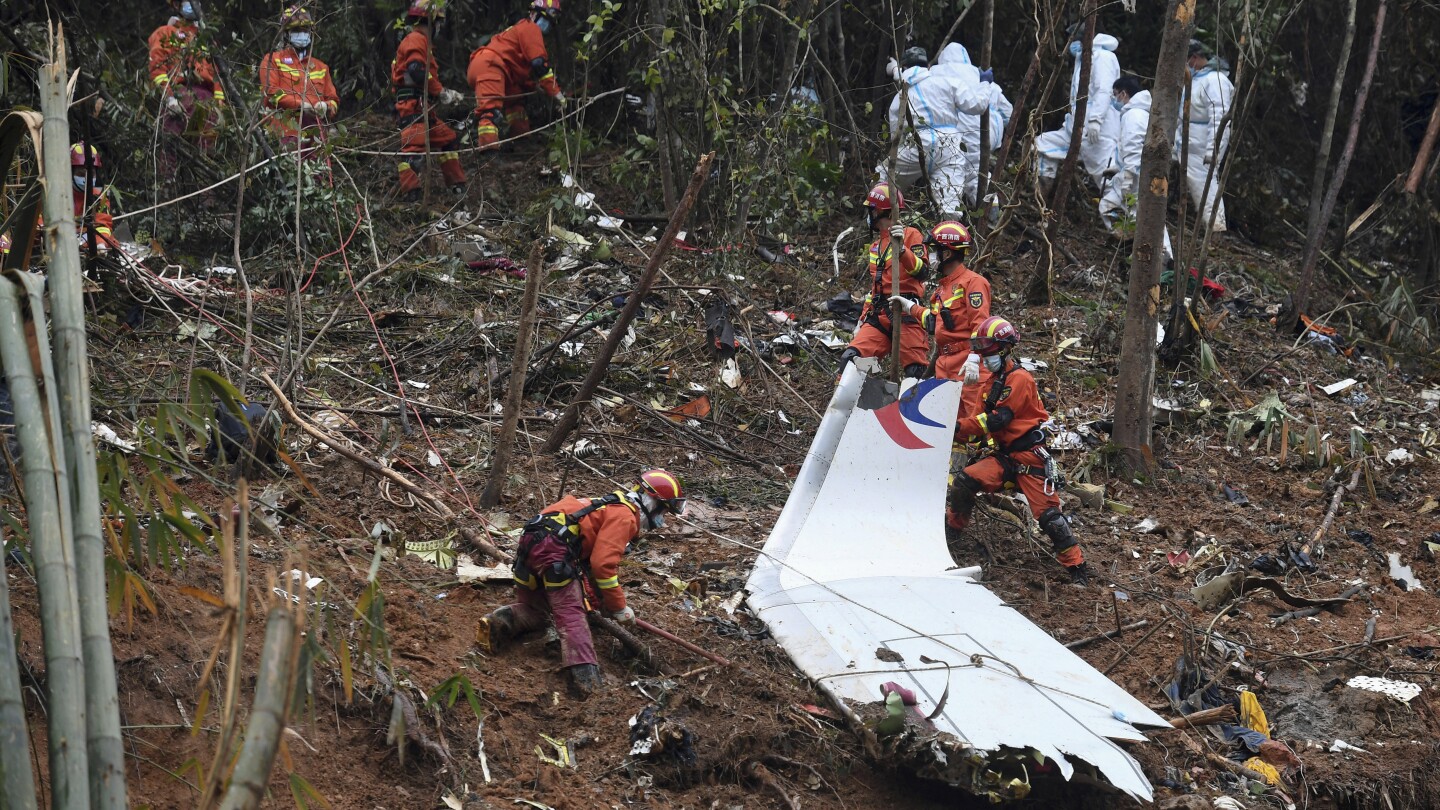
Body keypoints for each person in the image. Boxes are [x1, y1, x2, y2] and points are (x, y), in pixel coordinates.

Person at [476, 470, 687, 695]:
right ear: (651, 501)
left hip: (531, 544)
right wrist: (619, 607)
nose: (662, 518)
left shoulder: (607, 504)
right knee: (571, 615)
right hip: (554, 551)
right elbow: (603, 565)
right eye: (663, 510)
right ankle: (587, 684)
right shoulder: (625, 516)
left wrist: (601, 602)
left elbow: (588, 564)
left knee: (538, 610)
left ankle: (500, 621)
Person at [947, 316, 1090, 586]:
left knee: (1051, 519)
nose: (985, 359)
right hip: (1003, 457)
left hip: (1029, 457)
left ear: (1004, 350)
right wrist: (965, 435)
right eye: (983, 354)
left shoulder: (1021, 379)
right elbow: (979, 423)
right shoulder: (987, 385)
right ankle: (952, 533)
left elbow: (998, 420)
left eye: (989, 354)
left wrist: (954, 428)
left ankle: (1077, 568)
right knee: (964, 482)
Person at [875, 46, 991, 221]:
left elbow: (895, 134)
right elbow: (978, 105)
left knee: (884, 179)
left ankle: (876, 224)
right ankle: (948, 243)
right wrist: (985, 83)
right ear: (928, 66)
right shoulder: (947, 83)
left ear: (905, 67)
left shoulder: (900, 96)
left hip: (915, 144)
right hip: (949, 146)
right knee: (949, 205)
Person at [887, 220, 989, 416]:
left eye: (934, 250)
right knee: (948, 424)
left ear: (947, 253)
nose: (930, 256)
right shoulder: (941, 290)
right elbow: (933, 322)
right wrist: (910, 307)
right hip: (945, 363)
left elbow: (980, 323)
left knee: (973, 420)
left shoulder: (973, 283)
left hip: (967, 362)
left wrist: (975, 358)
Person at [837, 183, 930, 379]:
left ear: (879, 210)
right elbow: (875, 289)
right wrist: (861, 321)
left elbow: (922, 273)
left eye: (870, 210)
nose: (868, 215)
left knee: (916, 373)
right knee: (851, 359)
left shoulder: (912, 235)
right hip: (879, 315)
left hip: (907, 313)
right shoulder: (875, 247)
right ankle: (853, 408)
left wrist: (903, 250)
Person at [391, 0, 467, 197]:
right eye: (439, 23)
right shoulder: (416, 39)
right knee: (413, 150)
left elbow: (424, 76)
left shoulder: (421, 42)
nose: (440, 27)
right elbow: (417, 71)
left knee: (448, 140)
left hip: (424, 109)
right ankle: (411, 195)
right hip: (412, 107)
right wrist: (441, 92)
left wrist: (444, 92)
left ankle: (456, 185)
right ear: (432, 21)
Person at [467, 0, 566, 149]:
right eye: (546, 20)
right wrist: (557, 94)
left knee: (516, 102)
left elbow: (521, 73)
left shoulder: (521, 30)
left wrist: (535, 87)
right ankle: (489, 155)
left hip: (497, 70)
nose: (547, 25)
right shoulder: (530, 28)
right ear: (534, 15)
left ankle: (521, 140)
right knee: (490, 112)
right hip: (491, 66)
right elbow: (539, 65)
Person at [1098, 76, 1173, 261]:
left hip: (1137, 179)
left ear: (1124, 94)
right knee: (1108, 206)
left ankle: (1162, 262)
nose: (1115, 99)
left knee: (1147, 219)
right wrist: (1117, 169)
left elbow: (1133, 148)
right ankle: (1131, 244)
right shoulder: (1139, 114)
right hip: (1135, 174)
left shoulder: (1133, 115)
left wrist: (1128, 177)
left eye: (1116, 95)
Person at [1034, 31, 1121, 188]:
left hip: (1098, 132)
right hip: (1076, 129)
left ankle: (1118, 210)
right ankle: (1042, 196)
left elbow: (1104, 90)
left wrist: (1096, 120)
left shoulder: (1103, 57)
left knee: (1107, 182)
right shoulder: (1082, 58)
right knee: (1042, 144)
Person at [933, 43, 1013, 207]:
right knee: (979, 172)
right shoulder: (978, 74)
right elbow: (1008, 111)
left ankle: (965, 213)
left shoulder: (936, 73)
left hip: (959, 131)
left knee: (957, 171)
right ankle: (990, 207)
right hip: (988, 131)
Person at [148, 0, 225, 163]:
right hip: (179, 96)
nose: (193, 4)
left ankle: (204, 187)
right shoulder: (165, 33)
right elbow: (157, 70)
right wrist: (169, 97)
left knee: (206, 154)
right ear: (177, 5)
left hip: (207, 101)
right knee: (170, 148)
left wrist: (220, 105)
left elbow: (218, 75)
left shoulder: (207, 39)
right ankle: (167, 186)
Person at [259, 6, 339, 156]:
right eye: (296, 30)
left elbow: (333, 99)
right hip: (284, 131)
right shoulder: (273, 60)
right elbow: (271, 92)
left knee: (317, 177)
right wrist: (300, 105)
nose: (302, 34)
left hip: (315, 134)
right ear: (286, 34)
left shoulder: (320, 67)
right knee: (286, 175)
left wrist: (326, 106)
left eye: (305, 30)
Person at [1179, 39, 1234, 231]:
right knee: (1197, 187)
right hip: (1188, 143)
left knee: (1205, 187)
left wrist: (1214, 148)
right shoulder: (1196, 79)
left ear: (1194, 58)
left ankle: (1215, 228)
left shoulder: (1215, 81)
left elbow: (1219, 118)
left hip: (1202, 146)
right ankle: (1207, 227)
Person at [70, 142, 120, 250]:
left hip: (87, 244)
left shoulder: (99, 199)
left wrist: (100, 243)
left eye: (91, 174)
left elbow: (103, 226)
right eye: (81, 174)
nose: (86, 178)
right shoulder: (56, 195)